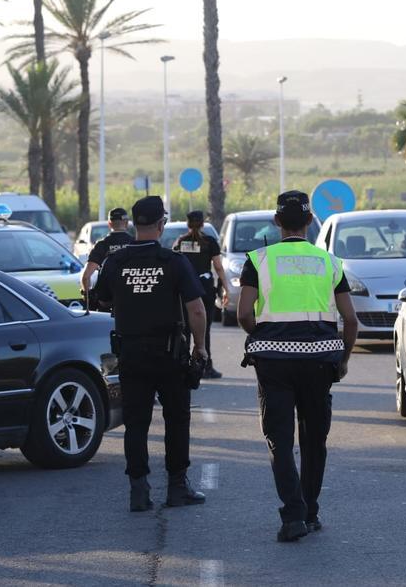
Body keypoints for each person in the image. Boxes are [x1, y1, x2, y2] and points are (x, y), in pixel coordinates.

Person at [237, 190, 359, 543]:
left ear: (276, 222)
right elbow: (350, 320)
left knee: (279, 438)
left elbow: (244, 313)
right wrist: (344, 358)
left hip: (273, 363)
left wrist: (262, 335)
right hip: (320, 361)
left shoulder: (258, 261)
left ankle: (293, 516)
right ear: (309, 221)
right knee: (314, 438)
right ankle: (311, 510)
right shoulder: (329, 263)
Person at [95, 196, 209, 513]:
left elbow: (101, 300)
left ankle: (139, 490)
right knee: (176, 419)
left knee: (136, 423)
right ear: (161, 225)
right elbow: (197, 310)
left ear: (134, 225)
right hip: (170, 353)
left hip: (131, 352)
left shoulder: (114, 263)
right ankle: (177, 487)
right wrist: (199, 347)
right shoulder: (173, 262)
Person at [172, 210, 229, 379]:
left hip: (184, 291)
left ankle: (183, 365)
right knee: (204, 329)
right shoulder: (209, 242)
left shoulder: (180, 242)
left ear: (188, 224)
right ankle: (205, 366)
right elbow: (218, 267)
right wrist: (225, 287)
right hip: (204, 289)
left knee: (185, 330)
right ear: (203, 224)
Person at [81, 208, 134, 304]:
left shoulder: (102, 245)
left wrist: (87, 296)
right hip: (131, 299)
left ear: (109, 224)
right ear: (126, 223)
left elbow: (86, 277)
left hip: (106, 302)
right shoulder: (135, 243)